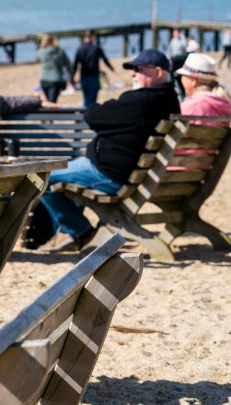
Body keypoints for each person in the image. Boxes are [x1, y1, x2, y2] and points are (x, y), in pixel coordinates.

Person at [38, 49, 180, 252]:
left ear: (157, 72)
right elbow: (110, 120)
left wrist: (99, 111)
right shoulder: (169, 100)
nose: (132, 73)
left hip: (109, 173)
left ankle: (81, 232)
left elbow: (94, 116)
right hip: (129, 173)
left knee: (41, 176)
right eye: (132, 69)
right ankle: (72, 232)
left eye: (138, 69)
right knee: (64, 171)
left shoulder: (140, 101)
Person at [176, 53, 231, 120]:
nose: (181, 79)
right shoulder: (225, 104)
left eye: (183, 76)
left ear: (193, 81)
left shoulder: (189, 107)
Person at [71, 30, 115, 108]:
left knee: (86, 98)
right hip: (94, 76)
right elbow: (105, 60)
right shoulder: (97, 48)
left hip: (84, 77)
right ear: (93, 37)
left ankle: (84, 115)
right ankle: (89, 116)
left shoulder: (80, 49)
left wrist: (72, 77)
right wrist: (111, 68)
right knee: (93, 100)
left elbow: (75, 65)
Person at [36, 34, 72, 103]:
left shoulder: (42, 51)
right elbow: (68, 65)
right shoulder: (60, 51)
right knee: (52, 102)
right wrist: (71, 77)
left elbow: (37, 56)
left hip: (43, 80)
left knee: (49, 101)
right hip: (55, 80)